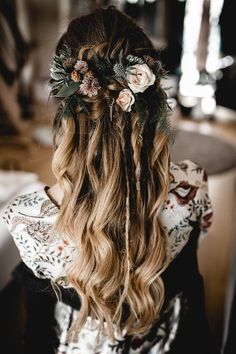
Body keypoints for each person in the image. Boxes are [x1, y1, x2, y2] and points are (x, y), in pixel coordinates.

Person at [2, 6, 217, 354]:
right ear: (152, 99)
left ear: (63, 106)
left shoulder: (24, 219)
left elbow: (38, 324)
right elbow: (191, 254)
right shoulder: (192, 187)